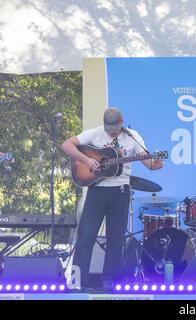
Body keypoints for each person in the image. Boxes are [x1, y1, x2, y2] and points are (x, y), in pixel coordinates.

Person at [61, 107, 163, 289]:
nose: (110, 132)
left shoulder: (133, 137)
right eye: (108, 129)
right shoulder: (95, 134)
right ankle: (77, 279)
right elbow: (66, 145)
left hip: (120, 192)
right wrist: (86, 160)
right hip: (97, 190)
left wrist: (154, 164)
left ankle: (110, 279)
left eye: (113, 129)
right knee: (86, 236)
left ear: (121, 123)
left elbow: (148, 162)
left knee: (116, 238)